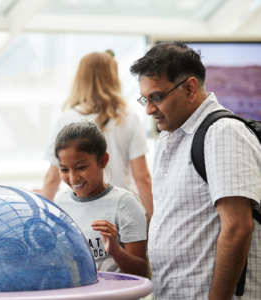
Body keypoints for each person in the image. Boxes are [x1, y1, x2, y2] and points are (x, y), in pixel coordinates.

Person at [130, 41, 261, 299]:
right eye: (144, 99)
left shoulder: (222, 133)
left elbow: (237, 228)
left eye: (156, 97)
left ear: (189, 88)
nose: (148, 109)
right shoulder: (171, 137)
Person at [42, 51, 153, 221]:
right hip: (124, 211)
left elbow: (52, 177)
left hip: (84, 212)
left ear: (80, 78)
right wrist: (153, 218)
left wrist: (43, 217)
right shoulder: (128, 118)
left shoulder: (67, 119)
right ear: (113, 77)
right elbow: (142, 177)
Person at [53, 119, 148, 276]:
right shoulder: (60, 204)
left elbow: (141, 273)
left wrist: (115, 251)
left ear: (103, 160)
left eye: (81, 167)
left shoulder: (125, 203)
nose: (73, 178)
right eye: (64, 169)